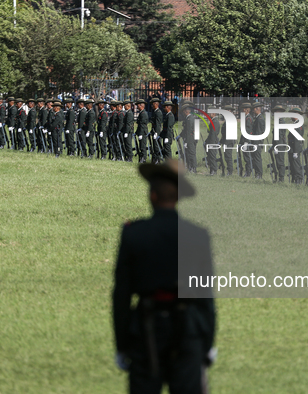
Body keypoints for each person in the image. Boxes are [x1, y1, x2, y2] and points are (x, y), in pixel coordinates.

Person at [112, 159, 216, 394]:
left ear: (152, 196)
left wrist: (121, 344)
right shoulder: (198, 235)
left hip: (146, 329)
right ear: (178, 198)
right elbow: (205, 296)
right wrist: (207, 342)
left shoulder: (134, 233)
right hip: (187, 331)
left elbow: (122, 293)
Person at [287, 107, 304, 183]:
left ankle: (298, 179)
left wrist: (296, 151)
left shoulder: (298, 124)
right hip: (292, 148)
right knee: (293, 165)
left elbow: (297, 139)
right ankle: (294, 179)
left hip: (295, 148)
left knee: (296, 165)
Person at [150, 98, 163, 163]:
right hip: (154, 131)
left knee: (156, 146)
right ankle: (154, 159)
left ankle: (157, 159)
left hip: (156, 131)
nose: (152, 106)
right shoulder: (155, 112)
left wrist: (157, 133)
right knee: (154, 146)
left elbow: (158, 124)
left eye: (153, 105)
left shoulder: (158, 112)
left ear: (156, 104)